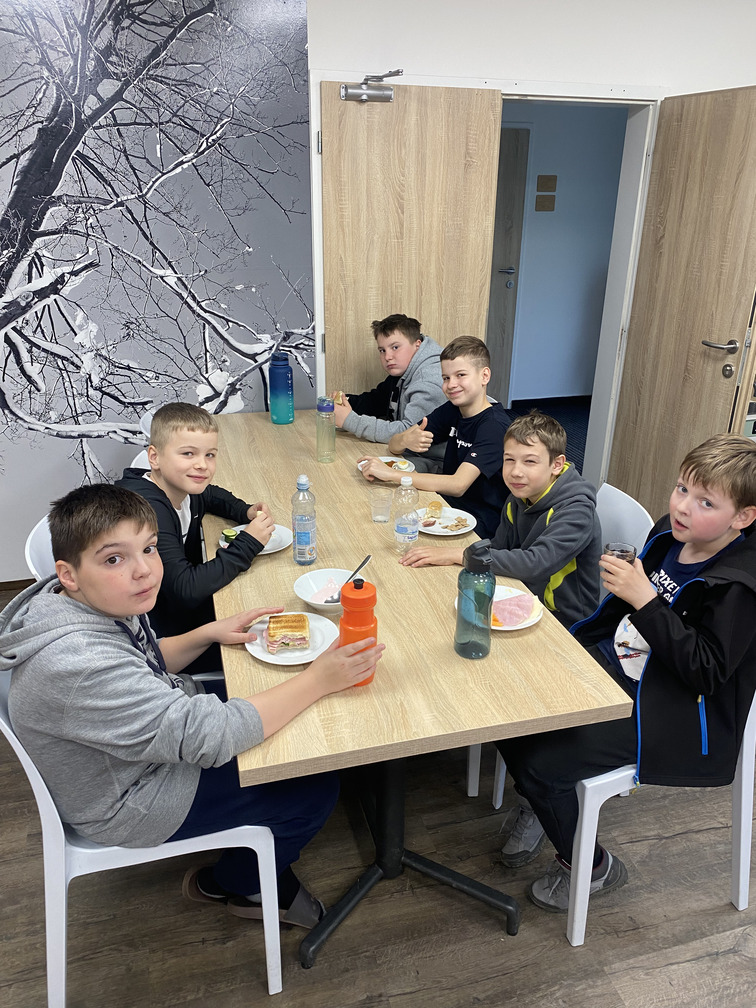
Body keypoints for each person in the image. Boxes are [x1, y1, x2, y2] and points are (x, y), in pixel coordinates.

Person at [0, 485, 384, 927]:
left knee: (283, 718)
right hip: (130, 799)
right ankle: (237, 884)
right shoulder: (80, 664)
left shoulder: (81, 602)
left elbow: (143, 660)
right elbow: (210, 736)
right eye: (114, 559)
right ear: (68, 574)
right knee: (312, 786)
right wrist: (318, 680)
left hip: (142, 749)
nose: (144, 571)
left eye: (148, 548)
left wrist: (208, 632)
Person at [494, 434, 756, 912]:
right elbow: (626, 614)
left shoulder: (738, 586)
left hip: (674, 712)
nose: (683, 507)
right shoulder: (670, 534)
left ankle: (592, 866)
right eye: (682, 489)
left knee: (541, 763)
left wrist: (646, 600)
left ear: (743, 518)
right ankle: (544, 802)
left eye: (706, 502)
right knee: (507, 710)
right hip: (621, 667)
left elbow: (706, 673)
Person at [400, 410, 602, 629]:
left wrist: (459, 554)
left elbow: (535, 563)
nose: (516, 472)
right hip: (522, 592)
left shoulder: (576, 509)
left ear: (556, 464)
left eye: (530, 461)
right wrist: (458, 555)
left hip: (565, 622)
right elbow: (499, 546)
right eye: (509, 460)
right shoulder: (520, 493)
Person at [116, 403, 273, 667]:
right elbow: (185, 589)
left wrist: (244, 511)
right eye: (188, 453)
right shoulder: (146, 511)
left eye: (210, 455)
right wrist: (249, 543)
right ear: (154, 457)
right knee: (265, 638)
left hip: (178, 613)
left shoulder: (178, 486)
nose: (202, 465)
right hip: (161, 637)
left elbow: (211, 495)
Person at [358, 335, 510, 538]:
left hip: (482, 521)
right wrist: (404, 440)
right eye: (446, 378)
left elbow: (458, 485)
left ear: (484, 376)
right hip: (447, 505)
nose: (451, 384)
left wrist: (391, 474)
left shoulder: (494, 426)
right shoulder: (453, 409)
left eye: (460, 375)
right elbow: (394, 444)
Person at [332, 313, 447, 473]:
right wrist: (343, 402)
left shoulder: (428, 380)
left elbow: (408, 432)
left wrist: (350, 421)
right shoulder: (404, 369)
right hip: (409, 453)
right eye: (382, 350)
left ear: (417, 344)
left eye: (395, 347)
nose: (387, 357)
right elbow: (377, 400)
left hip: (436, 463)